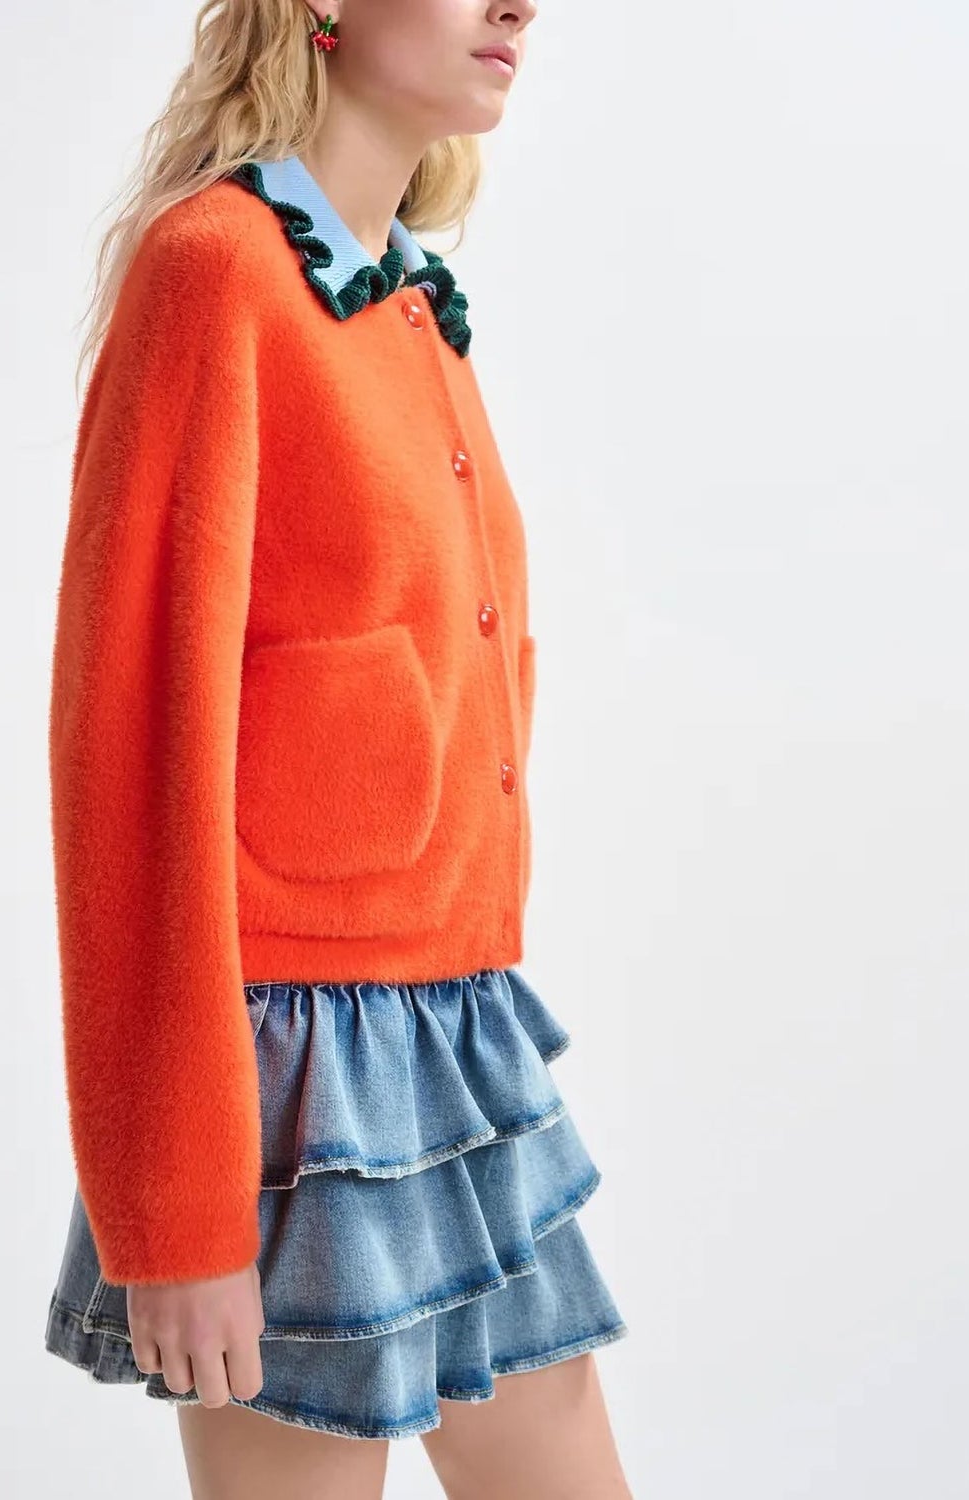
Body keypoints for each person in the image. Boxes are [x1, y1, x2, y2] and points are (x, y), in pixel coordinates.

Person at [42, 3, 634, 1495]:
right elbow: (129, 755)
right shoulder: (216, 271)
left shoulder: (409, 301)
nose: (519, 5)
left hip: (456, 1031)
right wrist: (176, 1207)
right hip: (282, 1072)